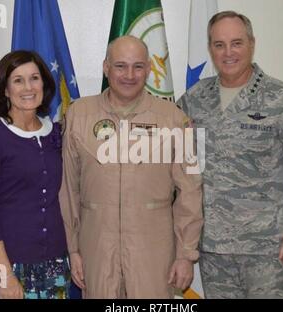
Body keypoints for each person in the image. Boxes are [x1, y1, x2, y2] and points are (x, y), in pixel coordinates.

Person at [177, 11, 283, 299]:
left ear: (251, 44)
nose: (228, 52)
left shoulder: (281, 99)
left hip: (270, 250)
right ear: (210, 48)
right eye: (219, 44)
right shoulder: (194, 100)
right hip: (213, 250)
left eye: (236, 43)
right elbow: (174, 165)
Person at [59, 35, 203, 298]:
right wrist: (73, 249)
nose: (129, 75)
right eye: (120, 66)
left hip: (154, 254)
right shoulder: (79, 115)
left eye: (138, 66)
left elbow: (190, 191)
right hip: (97, 249)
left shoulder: (173, 118)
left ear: (149, 69)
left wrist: (186, 254)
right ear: (106, 67)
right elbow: (68, 190)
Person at [0, 50, 70, 299]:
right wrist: (4, 274)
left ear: (44, 83)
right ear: (5, 90)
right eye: (18, 80)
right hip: (8, 266)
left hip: (55, 264)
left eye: (34, 78)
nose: (28, 87)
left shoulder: (56, 133)